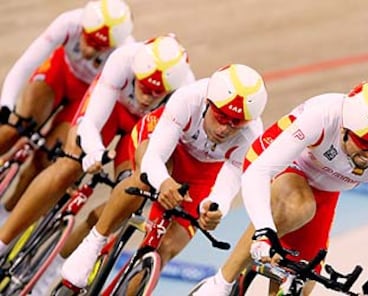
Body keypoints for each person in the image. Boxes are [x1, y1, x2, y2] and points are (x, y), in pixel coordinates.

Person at [0, 34, 195, 295]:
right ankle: (3, 242)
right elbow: (90, 122)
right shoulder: (124, 59)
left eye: (157, 92)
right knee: (69, 165)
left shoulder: (185, 92)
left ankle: (53, 272)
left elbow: (160, 152)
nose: (147, 98)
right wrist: (92, 152)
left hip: (143, 131)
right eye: (144, 87)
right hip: (110, 111)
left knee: (129, 196)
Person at [59, 63, 268, 291]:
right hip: (165, 145)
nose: (225, 129)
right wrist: (163, 181)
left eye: (235, 123)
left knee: (166, 248)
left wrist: (215, 209)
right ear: (209, 103)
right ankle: (94, 242)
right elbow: (154, 158)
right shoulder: (189, 98)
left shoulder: (252, 135)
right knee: (145, 180)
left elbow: (228, 185)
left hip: (203, 171)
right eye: (220, 117)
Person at [191, 81, 368, 296]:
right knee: (298, 207)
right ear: (345, 129)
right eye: (363, 143)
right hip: (283, 161)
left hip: (325, 190)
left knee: (301, 282)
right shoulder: (324, 116)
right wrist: (264, 231)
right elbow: (258, 172)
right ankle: (223, 282)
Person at [0, 0, 134, 218]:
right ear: (83, 28)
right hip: (60, 73)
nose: (90, 51)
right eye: (88, 40)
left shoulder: (125, 52)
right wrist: (6, 105)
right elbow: (25, 64)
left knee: (45, 160)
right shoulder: (70, 22)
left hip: (85, 96)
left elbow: (106, 105)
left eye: (100, 48)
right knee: (15, 127)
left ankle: (9, 212)